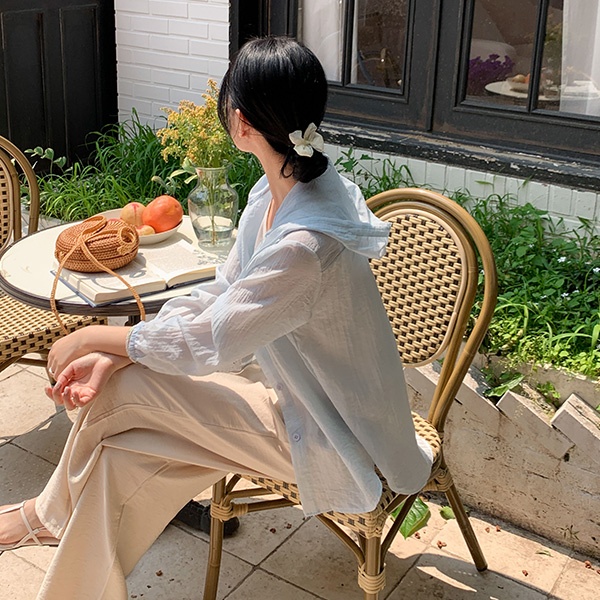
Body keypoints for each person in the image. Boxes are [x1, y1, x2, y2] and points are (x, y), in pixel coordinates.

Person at [0, 36, 433, 599]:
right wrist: (119, 353)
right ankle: (59, 546)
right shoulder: (283, 191)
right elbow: (222, 295)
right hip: (295, 396)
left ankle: (43, 516)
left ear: (241, 122)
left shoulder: (304, 245)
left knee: (119, 397)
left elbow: (212, 340)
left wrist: (96, 340)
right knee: (117, 458)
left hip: (332, 434)